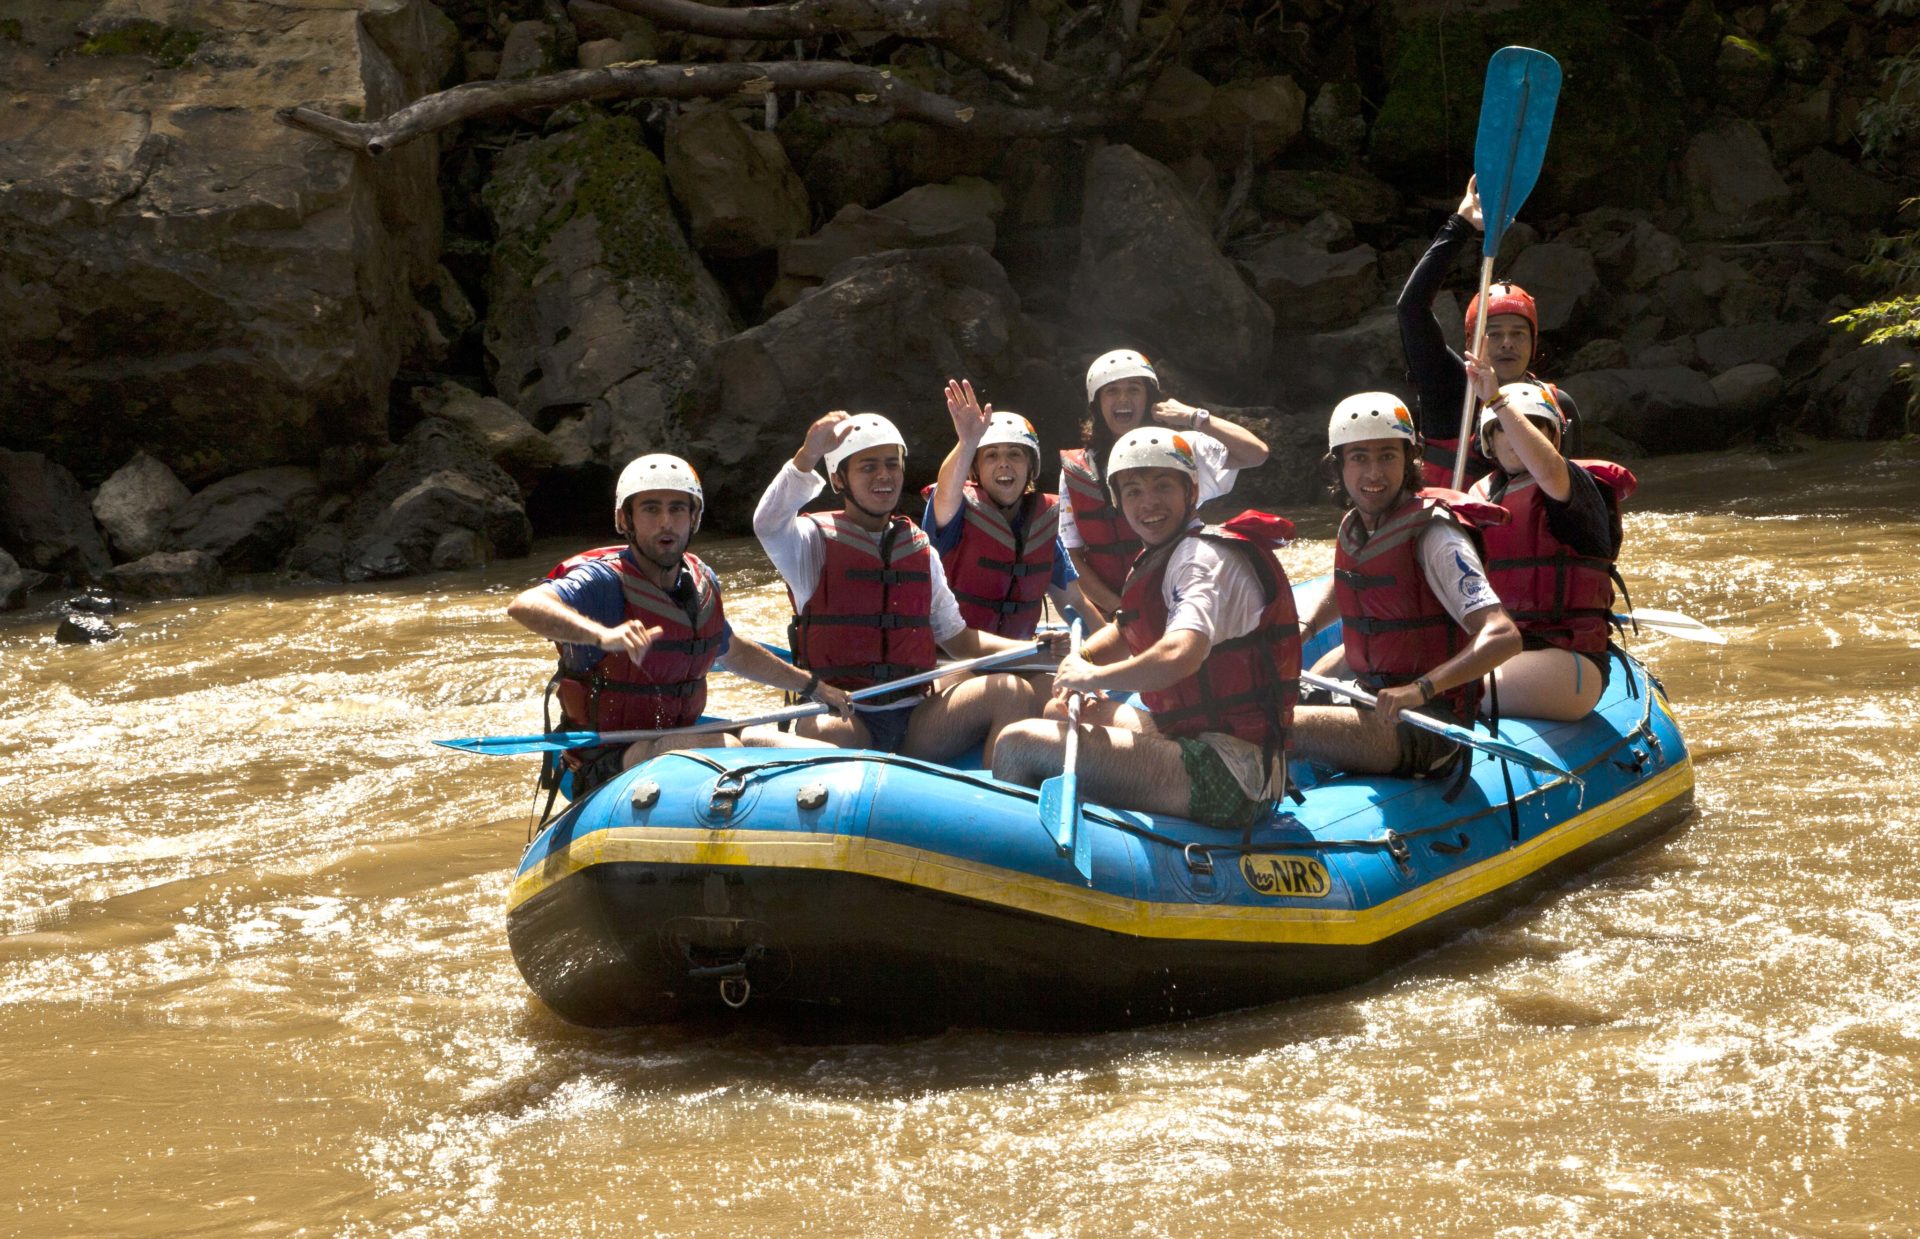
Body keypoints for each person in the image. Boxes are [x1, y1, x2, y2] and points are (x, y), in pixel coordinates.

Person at [992, 428, 1301, 831]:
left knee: (1017, 745)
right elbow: (1126, 632)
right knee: (1061, 709)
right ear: (1118, 502)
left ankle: (1027, 871)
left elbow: (1181, 652)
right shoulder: (1165, 554)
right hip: (1199, 740)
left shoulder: (1198, 560)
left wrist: (1094, 676)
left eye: (1162, 486)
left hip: (1231, 774)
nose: (1148, 502)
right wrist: (1080, 659)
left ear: (1191, 491)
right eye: (1133, 491)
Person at [507, 453, 851, 796]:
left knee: (821, 756)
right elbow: (525, 605)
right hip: (607, 757)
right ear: (624, 519)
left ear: (694, 517)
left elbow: (734, 651)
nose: (666, 522)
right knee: (725, 747)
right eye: (651, 509)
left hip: (677, 735)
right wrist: (601, 634)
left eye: (677, 509)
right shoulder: (603, 582)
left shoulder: (701, 582)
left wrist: (816, 688)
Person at [753, 410, 1051, 764]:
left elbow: (959, 640)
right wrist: (808, 455)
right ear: (838, 478)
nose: (884, 475)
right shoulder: (808, 544)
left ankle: (996, 801)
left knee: (1012, 691)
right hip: (845, 714)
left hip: (914, 718)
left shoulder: (920, 547)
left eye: (892, 465)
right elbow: (768, 523)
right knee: (828, 731)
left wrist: (1035, 651)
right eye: (868, 467)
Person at [1291, 393, 1522, 781]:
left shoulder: (1436, 536)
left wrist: (1422, 689)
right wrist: (1304, 629)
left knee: (1274, 724)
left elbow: (1504, 635)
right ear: (1339, 465)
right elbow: (1351, 580)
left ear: (1409, 460)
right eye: (1359, 457)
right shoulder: (1357, 526)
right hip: (1370, 698)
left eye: (1387, 456)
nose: (1373, 474)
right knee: (1255, 704)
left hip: (1429, 723)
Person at [1462, 355, 1638, 721]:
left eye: (1535, 428)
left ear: (1554, 438)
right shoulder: (1479, 498)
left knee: (1445, 692)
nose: (1515, 437)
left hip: (1568, 662)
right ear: (1489, 442)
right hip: (1500, 650)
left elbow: (1548, 469)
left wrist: (1497, 402)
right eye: (1502, 430)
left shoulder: (1575, 488)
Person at [1397, 176, 1584, 488]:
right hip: (1454, 533)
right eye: (1494, 334)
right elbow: (1411, 309)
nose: (1507, 343)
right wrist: (1460, 226)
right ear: (1471, 342)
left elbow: (1580, 492)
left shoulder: (1558, 406)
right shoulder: (1449, 387)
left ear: (1533, 343)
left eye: (1518, 334)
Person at [1059, 349, 1270, 620]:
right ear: (1097, 403)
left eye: (1134, 389)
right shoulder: (1076, 469)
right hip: (1114, 613)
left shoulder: (1181, 449)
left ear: (1149, 398)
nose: (1123, 399)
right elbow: (1072, 557)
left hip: (1179, 600)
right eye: (1111, 391)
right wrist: (1121, 610)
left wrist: (1195, 417)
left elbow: (1256, 454)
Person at [923, 379, 1086, 639]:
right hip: (953, 661)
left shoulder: (1041, 529)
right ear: (974, 469)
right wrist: (967, 443)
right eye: (991, 455)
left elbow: (1076, 605)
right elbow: (946, 491)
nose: (1004, 464)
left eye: (1014, 454)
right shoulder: (954, 513)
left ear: (1031, 467)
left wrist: (1124, 656)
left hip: (1018, 656)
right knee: (1013, 684)